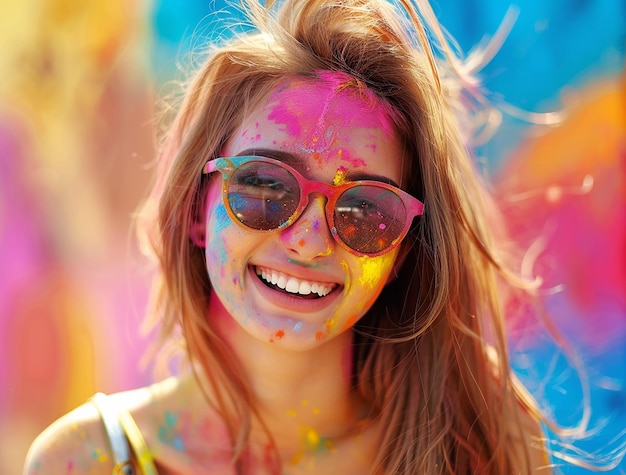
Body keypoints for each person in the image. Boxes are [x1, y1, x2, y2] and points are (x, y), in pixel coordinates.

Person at [24, 0, 557, 473]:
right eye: (264, 186)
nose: (309, 240)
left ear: (402, 252)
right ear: (195, 207)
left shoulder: (482, 444)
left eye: (366, 209)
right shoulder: (82, 460)